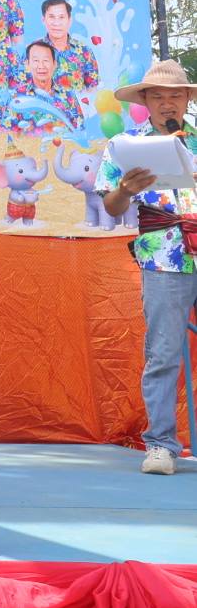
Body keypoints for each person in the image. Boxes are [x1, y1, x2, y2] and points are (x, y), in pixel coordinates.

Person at [98, 61, 197, 475]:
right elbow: (111, 206)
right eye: (157, 96)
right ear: (144, 100)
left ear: (187, 99)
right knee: (163, 352)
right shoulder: (125, 145)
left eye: (175, 95)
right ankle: (161, 445)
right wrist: (125, 189)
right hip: (163, 256)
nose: (166, 103)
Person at [10, 40, 84, 132]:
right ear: (27, 65)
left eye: (46, 60)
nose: (41, 66)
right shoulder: (17, 96)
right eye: (36, 61)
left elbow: (80, 129)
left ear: (54, 64)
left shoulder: (68, 96)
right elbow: (8, 133)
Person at [39, 0, 100, 93]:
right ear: (43, 20)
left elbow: (92, 90)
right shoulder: (32, 51)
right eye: (51, 17)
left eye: (61, 17)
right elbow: (24, 91)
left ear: (69, 20)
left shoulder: (84, 51)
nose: (56, 23)